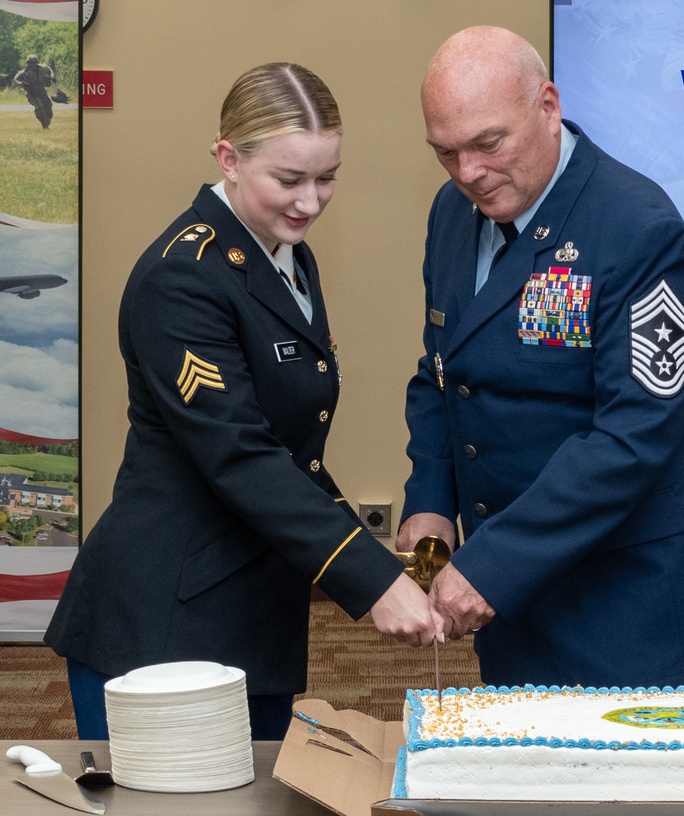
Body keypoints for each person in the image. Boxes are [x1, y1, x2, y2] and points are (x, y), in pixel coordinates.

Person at [45, 63, 442, 740]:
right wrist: (372, 578)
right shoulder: (183, 276)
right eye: (289, 180)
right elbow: (243, 455)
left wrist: (393, 564)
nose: (311, 201)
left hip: (253, 609)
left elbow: (296, 452)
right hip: (163, 619)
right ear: (228, 157)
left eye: (328, 176)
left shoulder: (285, 254)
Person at [396, 27, 684, 689]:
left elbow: (633, 437)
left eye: (487, 143)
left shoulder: (639, 230)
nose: (469, 173)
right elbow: (443, 374)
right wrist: (430, 501)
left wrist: (491, 564)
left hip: (629, 600)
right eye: (446, 153)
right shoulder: (452, 215)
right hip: (519, 597)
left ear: (548, 106)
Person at [13, 54, 54, 129]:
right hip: (31, 94)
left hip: (42, 92)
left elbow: (50, 70)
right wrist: (21, 83)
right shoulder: (23, 72)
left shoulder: (43, 68)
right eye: (30, 63)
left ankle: (47, 121)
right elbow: (15, 79)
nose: (32, 65)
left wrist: (51, 77)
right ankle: (44, 125)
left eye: (34, 62)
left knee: (48, 107)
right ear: (27, 63)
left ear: (37, 62)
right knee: (39, 108)